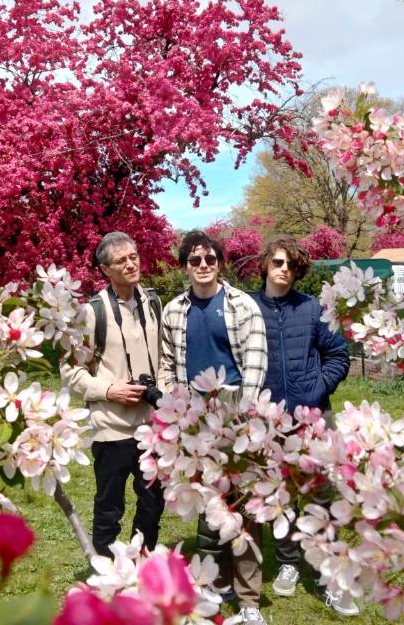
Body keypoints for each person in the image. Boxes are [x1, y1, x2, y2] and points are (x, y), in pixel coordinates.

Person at [159, 230, 268, 625]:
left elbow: (255, 367)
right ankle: (213, 585)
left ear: (220, 263)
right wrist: (177, 410)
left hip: (238, 413)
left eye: (209, 259)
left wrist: (244, 418)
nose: (202, 266)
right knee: (208, 503)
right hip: (192, 416)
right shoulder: (174, 311)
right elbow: (168, 364)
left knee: (243, 506)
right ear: (185, 266)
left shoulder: (242, 306)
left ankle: (249, 597)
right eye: (194, 260)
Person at [251, 234, 358, 616]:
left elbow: (338, 355)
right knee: (281, 495)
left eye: (292, 266)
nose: (284, 270)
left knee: (320, 495)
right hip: (269, 421)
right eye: (278, 262)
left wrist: (318, 387)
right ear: (266, 264)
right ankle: (288, 564)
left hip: (314, 418)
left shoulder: (313, 309)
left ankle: (328, 575)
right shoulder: (248, 309)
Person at [60, 232, 164, 558]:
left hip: (152, 425)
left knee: (154, 500)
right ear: (106, 269)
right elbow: (71, 371)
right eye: (122, 260)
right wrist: (109, 390)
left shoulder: (155, 303)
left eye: (133, 256)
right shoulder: (92, 313)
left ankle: (140, 560)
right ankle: (105, 566)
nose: (131, 264)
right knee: (110, 505)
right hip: (112, 426)